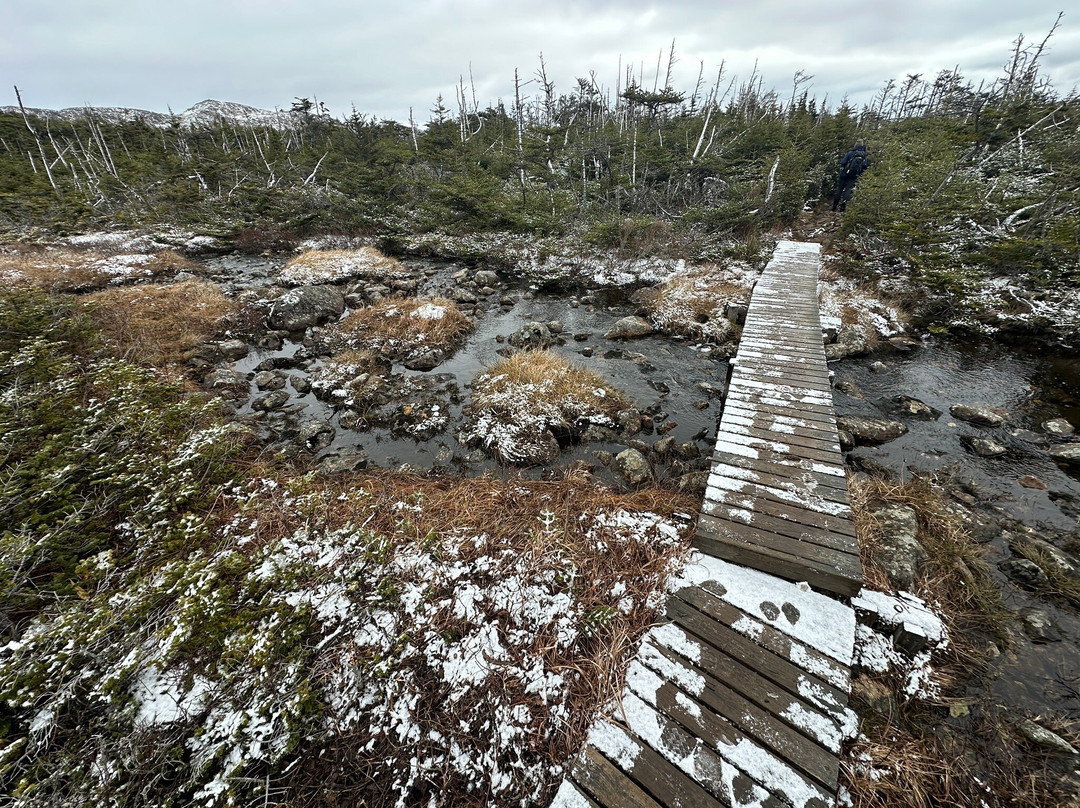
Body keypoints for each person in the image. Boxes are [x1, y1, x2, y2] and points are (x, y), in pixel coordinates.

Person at [832, 139, 870, 211]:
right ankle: (843, 208)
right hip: (854, 176)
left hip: (844, 174)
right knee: (848, 191)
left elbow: (843, 162)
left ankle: (834, 207)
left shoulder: (850, 153)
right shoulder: (864, 155)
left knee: (839, 189)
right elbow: (865, 166)